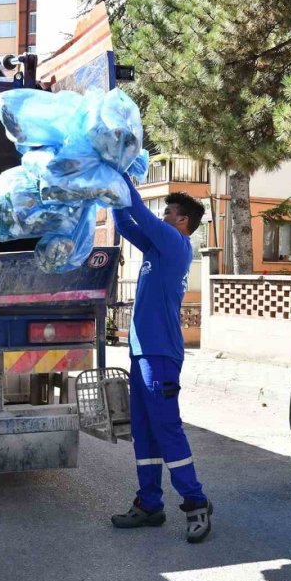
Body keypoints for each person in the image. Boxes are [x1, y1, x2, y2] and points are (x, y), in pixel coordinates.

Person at [110, 174, 212, 543]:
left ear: (182, 220)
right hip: (141, 352)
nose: (163, 215)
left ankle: (196, 502)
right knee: (144, 431)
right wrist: (110, 193)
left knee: (166, 428)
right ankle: (150, 503)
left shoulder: (175, 242)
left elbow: (140, 212)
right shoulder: (156, 250)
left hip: (161, 354)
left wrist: (119, 175)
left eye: (168, 211)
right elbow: (124, 221)